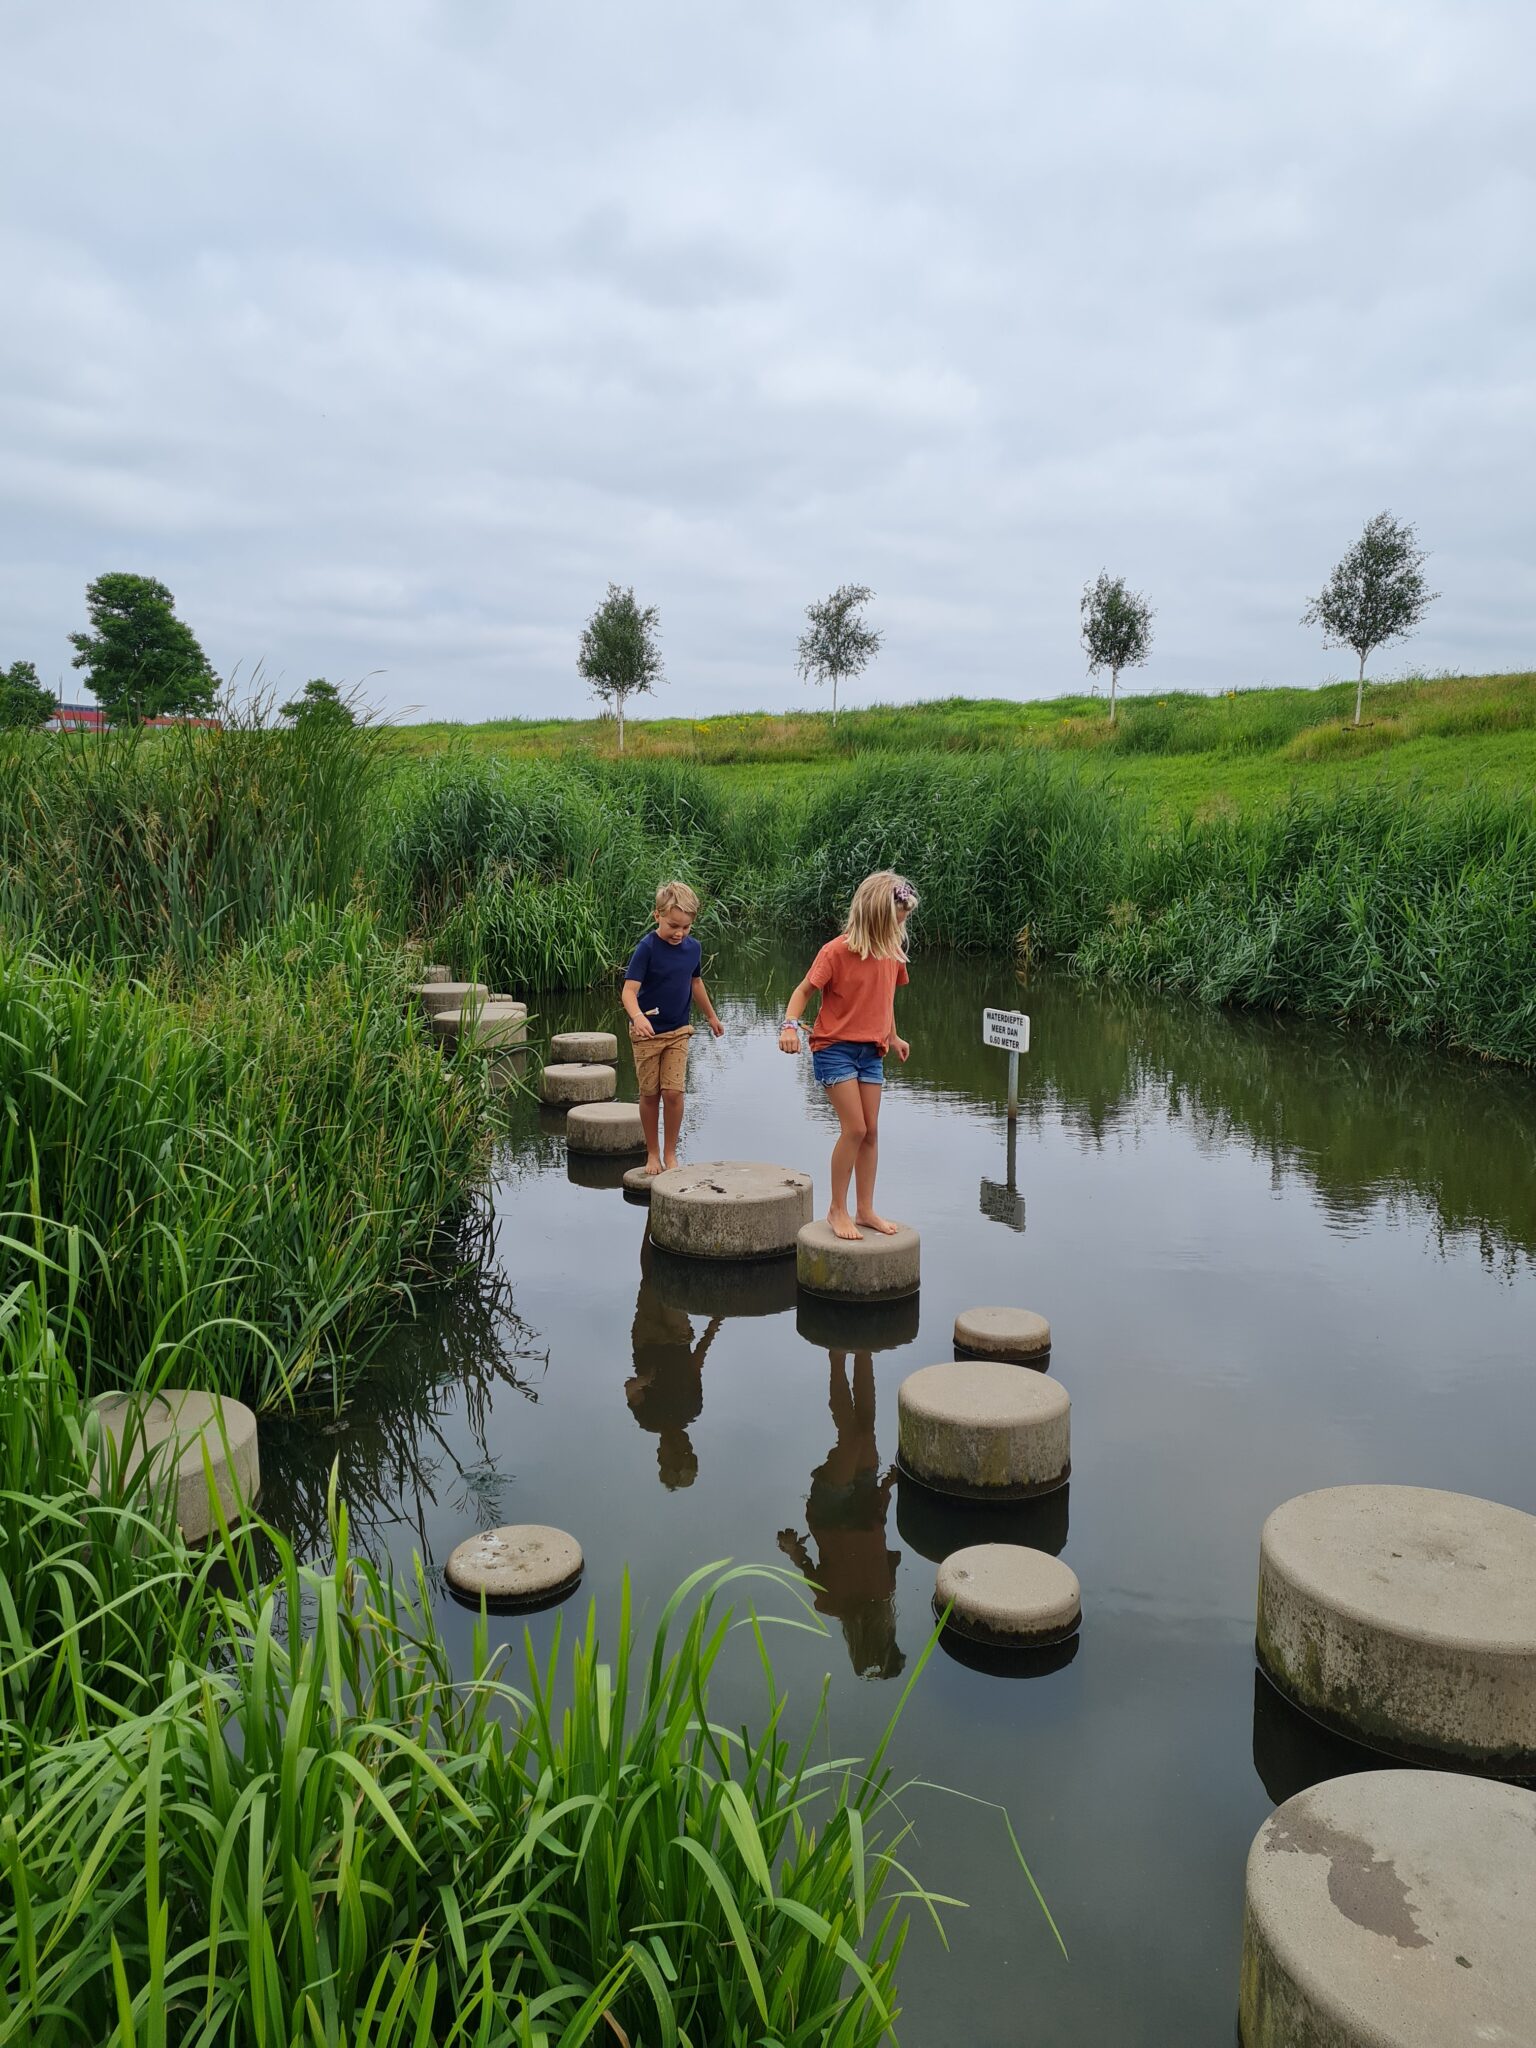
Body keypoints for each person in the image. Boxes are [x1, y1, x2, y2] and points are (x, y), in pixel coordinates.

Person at [777, 870, 916, 1241]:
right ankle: (837, 1208)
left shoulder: (892, 955)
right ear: (874, 918)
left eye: (902, 924)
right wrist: (790, 1025)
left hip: (872, 1051)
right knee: (854, 1128)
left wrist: (894, 1036)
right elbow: (803, 992)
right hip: (834, 1049)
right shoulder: (836, 952)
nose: (900, 930)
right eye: (895, 923)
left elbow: (884, 1000)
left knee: (871, 1132)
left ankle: (865, 1209)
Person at [622, 880, 725, 1175]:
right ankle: (652, 1153)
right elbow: (629, 992)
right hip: (647, 1034)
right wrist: (638, 1017)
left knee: (674, 1093)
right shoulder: (647, 948)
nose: (679, 933)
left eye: (686, 927)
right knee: (650, 1094)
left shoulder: (693, 949)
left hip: (679, 1030)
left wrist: (711, 1016)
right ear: (657, 916)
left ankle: (671, 1152)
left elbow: (695, 983)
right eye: (672, 926)